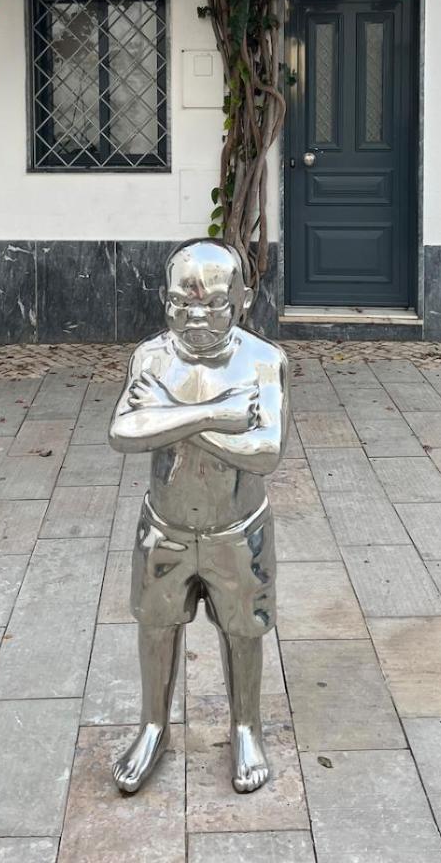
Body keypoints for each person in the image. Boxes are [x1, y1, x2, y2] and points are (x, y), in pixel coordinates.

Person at [108, 237, 289, 795]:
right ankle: (153, 727)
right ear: (164, 300)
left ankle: (245, 728)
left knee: (244, 631)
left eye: (214, 304)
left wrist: (168, 413)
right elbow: (123, 432)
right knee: (155, 626)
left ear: (243, 300)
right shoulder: (151, 357)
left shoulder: (263, 361)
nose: (197, 318)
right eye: (181, 304)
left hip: (238, 529)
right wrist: (218, 414)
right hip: (165, 529)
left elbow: (266, 451)